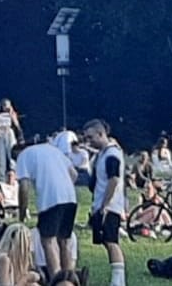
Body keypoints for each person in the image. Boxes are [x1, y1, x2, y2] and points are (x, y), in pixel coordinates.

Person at [15, 137, 77, 279]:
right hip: (70, 197)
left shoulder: (23, 156)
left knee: (48, 241)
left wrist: (22, 212)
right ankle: (68, 280)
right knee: (65, 240)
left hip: (50, 199)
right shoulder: (54, 150)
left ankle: (55, 278)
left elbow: (23, 188)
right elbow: (74, 174)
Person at [83, 119, 127, 286]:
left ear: (101, 134)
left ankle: (118, 281)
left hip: (109, 206)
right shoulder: (102, 153)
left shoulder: (111, 155)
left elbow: (114, 180)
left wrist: (105, 206)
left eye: (91, 137)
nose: (89, 141)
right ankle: (118, 279)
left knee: (111, 241)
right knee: (106, 242)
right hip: (102, 204)